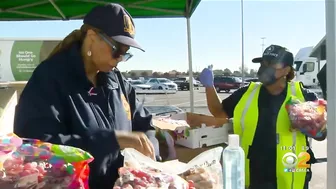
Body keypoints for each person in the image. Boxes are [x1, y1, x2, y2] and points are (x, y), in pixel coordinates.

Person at [13, 4, 159, 189]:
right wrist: (111, 140)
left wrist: (150, 149)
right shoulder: (50, 78)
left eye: (125, 53)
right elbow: (37, 148)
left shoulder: (117, 81)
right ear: (91, 37)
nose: (120, 58)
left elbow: (145, 124)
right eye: (117, 50)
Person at [199, 45, 327, 189]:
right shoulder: (246, 93)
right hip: (253, 176)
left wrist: (309, 124)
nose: (264, 68)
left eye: (271, 64)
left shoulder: (305, 96)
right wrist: (209, 87)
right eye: (262, 64)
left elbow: (321, 134)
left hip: (290, 176)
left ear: (286, 70)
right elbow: (219, 113)